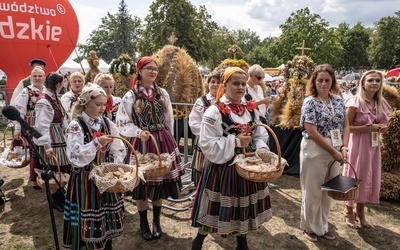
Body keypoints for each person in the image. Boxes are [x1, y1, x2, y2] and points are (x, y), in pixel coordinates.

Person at [191, 67, 272, 250]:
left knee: (242, 205)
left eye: (243, 84)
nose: (241, 87)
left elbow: (259, 135)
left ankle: (242, 242)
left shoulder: (250, 109)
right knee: (215, 207)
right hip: (223, 168)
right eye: (235, 83)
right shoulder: (214, 111)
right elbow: (207, 143)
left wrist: (262, 151)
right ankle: (199, 238)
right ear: (225, 85)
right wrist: (235, 141)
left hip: (247, 167)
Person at [116, 56, 185, 241]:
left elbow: (169, 117)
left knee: (159, 183)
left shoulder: (162, 93)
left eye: (155, 68)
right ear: (139, 71)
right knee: (142, 185)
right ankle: (143, 222)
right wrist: (138, 132)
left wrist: (171, 138)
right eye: (149, 68)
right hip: (143, 143)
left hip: (162, 140)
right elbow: (121, 123)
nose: (153, 71)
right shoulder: (130, 96)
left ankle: (156, 221)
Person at [63, 83, 126, 250]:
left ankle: (106, 243)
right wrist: (96, 143)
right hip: (85, 180)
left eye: (103, 104)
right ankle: (87, 245)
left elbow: (119, 147)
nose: (101, 108)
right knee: (90, 213)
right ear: (85, 103)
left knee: (105, 213)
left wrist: (116, 167)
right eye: (97, 104)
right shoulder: (76, 126)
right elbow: (75, 155)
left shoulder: (106, 122)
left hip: (105, 179)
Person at [299, 64, 350, 242]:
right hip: (314, 149)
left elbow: (346, 125)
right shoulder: (310, 102)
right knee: (312, 190)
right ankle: (308, 226)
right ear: (314, 81)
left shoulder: (337, 100)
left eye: (327, 80)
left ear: (332, 81)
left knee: (328, 192)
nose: (323, 83)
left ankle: (322, 226)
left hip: (336, 149)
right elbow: (311, 131)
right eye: (320, 80)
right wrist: (333, 152)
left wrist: (344, 147)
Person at [342, 70, 390, 228]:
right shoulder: (355, 101)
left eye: (377, 80)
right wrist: (368, 127)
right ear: (363, 83)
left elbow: (385, 123)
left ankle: (360, 210)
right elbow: (346, 127)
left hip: (373, 146)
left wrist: (382, 128)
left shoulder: (381, 103)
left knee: (369, 175)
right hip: (357, 144)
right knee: (354, 176)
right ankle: (348, 210)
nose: (374, 83)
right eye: (370, 80)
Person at [33, 72, 71, 211]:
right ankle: (55, 199)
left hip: (58, 137)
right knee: (54, 169)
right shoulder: (44, 101)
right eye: (62, 84)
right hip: (52, 140)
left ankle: (60, 196)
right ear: (57, 85)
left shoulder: (52, 98)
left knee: (61, 169)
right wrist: (48, 147)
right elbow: (42, 126)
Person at [11, 66, 45, 189]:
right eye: (34, 76)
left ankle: (43, 177)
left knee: (44, 151)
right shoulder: (26, 92)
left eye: (40, 76)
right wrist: (18, 129)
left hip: (44, 126)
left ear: (44, 77)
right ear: (30, 78)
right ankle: (34, 179)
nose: (37, 78)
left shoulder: (46, 91)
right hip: (30, 125)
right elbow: (19, 111)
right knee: (35, 152)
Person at [188, 72, 220, 186]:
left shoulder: (226, 101)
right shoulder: (202, 101)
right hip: (204, 141)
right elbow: (193, 123)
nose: (215, 85)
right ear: (208, 84)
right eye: (213, 82)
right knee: (202, 169)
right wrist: (208, 133)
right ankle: (199, 194)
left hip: (221, 144)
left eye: (218, 82)